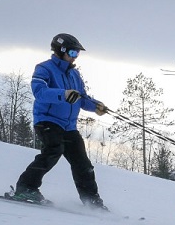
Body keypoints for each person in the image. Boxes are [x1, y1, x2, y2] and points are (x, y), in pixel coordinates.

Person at [11, 33, 108, 208]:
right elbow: (39, 92)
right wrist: (62, 94)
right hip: (47, 120)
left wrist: (95, 106)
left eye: (77, 54)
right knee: (53, 150)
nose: (74, 57)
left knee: (82, 163)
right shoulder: (44, 69)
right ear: (60, 50)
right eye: (72, 53)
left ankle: (92, 201)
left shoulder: (74, 75)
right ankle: (26, 188)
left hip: (68, 126)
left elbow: (81, 97)